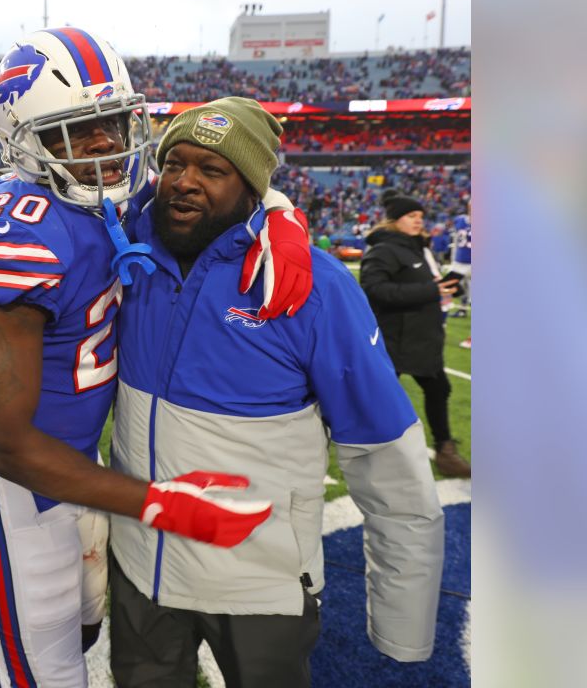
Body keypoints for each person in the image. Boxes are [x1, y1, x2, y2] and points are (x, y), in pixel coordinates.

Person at [0, 29, 312, 688]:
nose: (108, 144)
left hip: (76, 460)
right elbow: (2, 442)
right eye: (79, 131)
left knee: (84, 623)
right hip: (16, 480)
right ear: (27, 139)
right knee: (47, 670)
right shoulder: (19, 229)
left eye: (111, 121)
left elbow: (213, 191)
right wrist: (161, 504)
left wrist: (279, 213)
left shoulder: (110, 202)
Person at [107, 98, 445, 687]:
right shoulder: (127, 258)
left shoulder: (315, 287)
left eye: (213, 170)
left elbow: (386, 456)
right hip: (140, 570)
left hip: (258, 584)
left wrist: (403, 621)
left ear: (252, 188)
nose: (185, 183)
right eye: (175, 164)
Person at [360, 191, 473, 478]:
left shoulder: (418, 247)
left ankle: (445, 452)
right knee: (381, 398)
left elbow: (428, 283)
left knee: (438, 390)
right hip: (395, 337)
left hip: (423, 337)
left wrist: (452, 286)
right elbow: (374, 289)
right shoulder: (384, 249)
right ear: (395, 220)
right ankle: (372, 451)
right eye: (411, 216)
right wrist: (430, 290)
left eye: (421, 217)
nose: (418, 221)